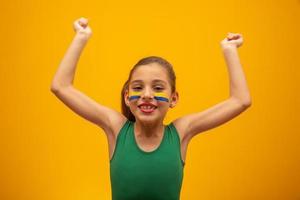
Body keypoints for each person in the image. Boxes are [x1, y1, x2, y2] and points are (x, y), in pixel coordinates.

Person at [50, 17, 252, 200]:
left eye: (157, 88)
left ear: (173, 98)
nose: (147, 94)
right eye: (138, 87)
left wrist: (230, 50)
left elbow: (240, 100)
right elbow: (61, 86)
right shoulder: (116, 128)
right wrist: (81, 37)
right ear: (127, 97)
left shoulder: (181, 132)